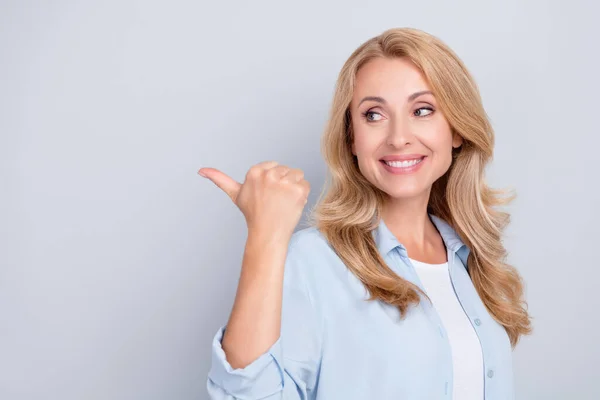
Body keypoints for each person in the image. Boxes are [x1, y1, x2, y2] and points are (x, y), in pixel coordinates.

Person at [198, 27, 532, 400]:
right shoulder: (314, 261)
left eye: (422, 110)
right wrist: (265, 235)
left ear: (456, 130)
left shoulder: (471, 260)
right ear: (352, 138)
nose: (398, 137)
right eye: (373, 115)